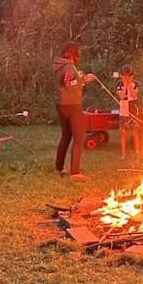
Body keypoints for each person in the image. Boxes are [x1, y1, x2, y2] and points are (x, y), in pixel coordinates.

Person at [53, 42, 95, 181]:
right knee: (79, 137)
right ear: (72, 54)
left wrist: (78, 78)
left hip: (61, 104)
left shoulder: (60, 65)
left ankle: (59, 168)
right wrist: (83, 79)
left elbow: (68, 81)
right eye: (78, 52)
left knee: (66, 136)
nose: (79, 55)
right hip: (71, 105)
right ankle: (75, 173)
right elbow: (68, 83)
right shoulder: (69, 66)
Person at [117, 64, 141, 162]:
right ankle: (123, 154)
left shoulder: (135, 84)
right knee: (123, 133)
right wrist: (125, 85)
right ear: (122, 75)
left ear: (132, 76)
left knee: (135, 132)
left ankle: (137, 153)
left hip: (133, 111)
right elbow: (121, 97)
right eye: (124, 75)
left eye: (129, 75)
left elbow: (134, 95)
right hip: (123, 111)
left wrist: (130, 84)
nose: (126, 77)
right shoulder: (119, 85)